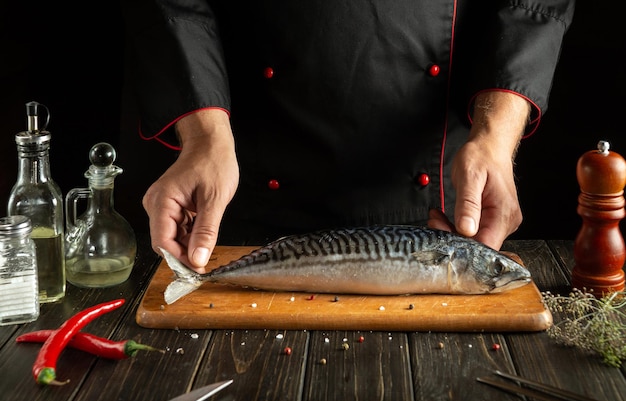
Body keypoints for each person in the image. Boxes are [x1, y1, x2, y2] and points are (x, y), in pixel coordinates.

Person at [122, 1, 576, 272]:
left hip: (438, 221)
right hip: (247, 205)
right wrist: (204, 137)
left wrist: (496, 136)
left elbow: (533, 5)